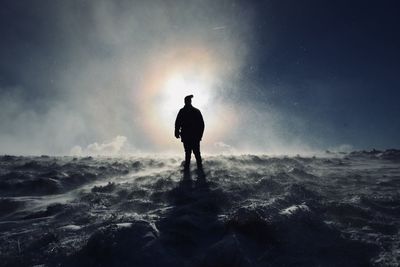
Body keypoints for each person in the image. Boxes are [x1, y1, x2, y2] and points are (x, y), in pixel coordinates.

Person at [175, 95, 205, 170]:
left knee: (195, 153)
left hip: (193, 136)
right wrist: (176, 132)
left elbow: (201, 125)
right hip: (187, 136)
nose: (187, 102)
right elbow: (178, 123)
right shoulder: (183, 111)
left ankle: (198, 170)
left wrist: (199, 135)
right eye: (186, 101)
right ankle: (189, 170)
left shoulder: (195, 111)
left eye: (188, 100)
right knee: (189, 153)